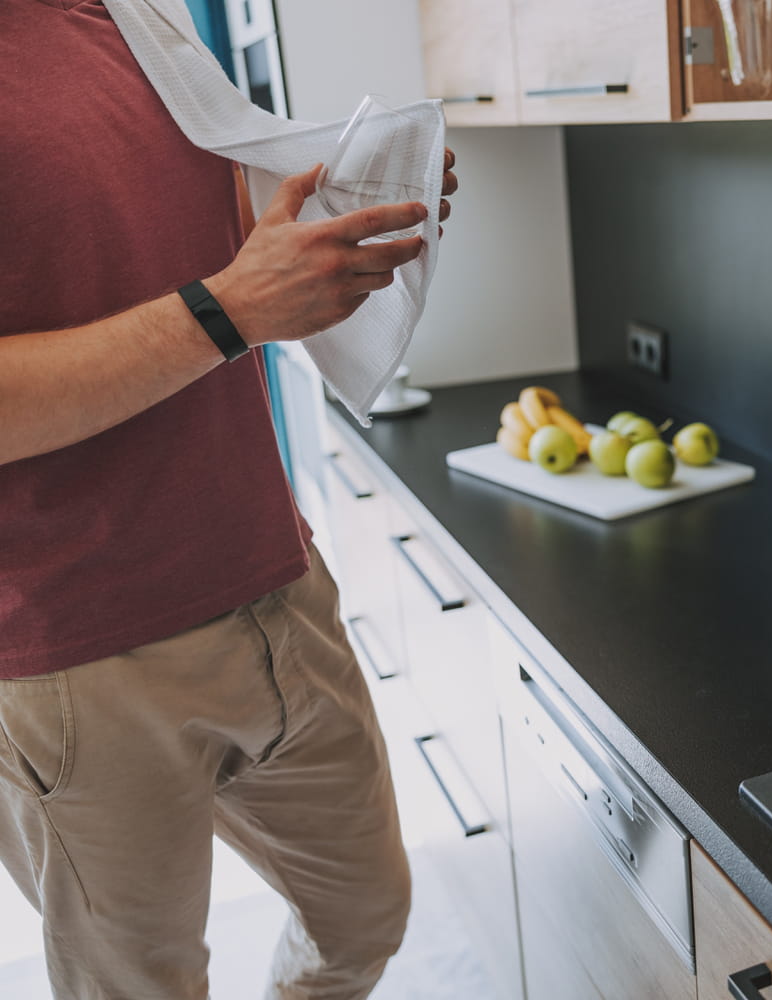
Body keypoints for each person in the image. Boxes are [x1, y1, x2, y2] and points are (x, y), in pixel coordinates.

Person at [0, 2, 459, 997]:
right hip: (79, 655)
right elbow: (207, 310)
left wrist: (334, 236)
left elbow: (148, 253)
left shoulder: (122, 18)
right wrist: (228, 311)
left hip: (271, 577)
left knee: (364, 919)